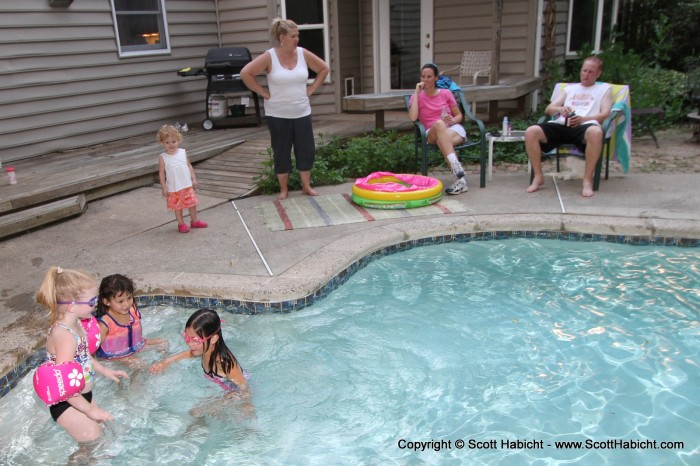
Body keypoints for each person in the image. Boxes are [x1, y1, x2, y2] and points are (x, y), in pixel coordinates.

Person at [34, 266, 128, 443]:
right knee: (92, 442)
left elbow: (84, 357)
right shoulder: (65, 336)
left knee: (99, 439)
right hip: (67, 402)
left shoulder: (77, 324)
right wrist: (90, 410)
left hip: (81, 396)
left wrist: (104, 370)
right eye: (92, 301)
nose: (96, 304)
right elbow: (63, 384)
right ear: (71, 306)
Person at [240, 18, 330, 200]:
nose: (297, 39)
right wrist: (262, 91)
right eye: (293, 36)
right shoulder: (269, 56)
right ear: (282, 37)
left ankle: (306, 186)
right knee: (281, 152)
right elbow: (245, 73)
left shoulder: (303, 54)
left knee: (306, 150)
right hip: (278, 114)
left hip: (302, 112)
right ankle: (284, 190)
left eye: (298, 35)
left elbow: (324, 69)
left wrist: (311, 89)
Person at [525, 56, 613, 197]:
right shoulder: (570, 89)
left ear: (598, 73)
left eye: (591, 72)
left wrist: (584, 118)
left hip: (585, 126)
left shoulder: (604, 89)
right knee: (531, 131)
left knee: (596, 132)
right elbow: (548, 109)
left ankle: (587, 180)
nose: (586, 74)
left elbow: (605, 114)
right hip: (562, 124)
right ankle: (538, 176)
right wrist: (560, 109)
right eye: (584, 70)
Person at [150, 308, 248, 395]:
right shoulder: (204, 349)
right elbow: (190, 354)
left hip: (234, 389)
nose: (190, 344)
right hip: (221, 385)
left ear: (213, 339)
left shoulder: (223, 362)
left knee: (196, 412)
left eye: (195, 340)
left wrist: (226, 401)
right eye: (187, 337)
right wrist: (166, 362)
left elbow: (244, 389)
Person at [408, 63, 469, 195]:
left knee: (444, 139)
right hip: (432, 132)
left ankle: (461, 181)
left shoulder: (446, 93)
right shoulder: (417, 96)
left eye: (429, 76)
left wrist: (452, 120)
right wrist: (416, 93)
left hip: (452, 129)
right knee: (439, 124)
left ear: (436, 78)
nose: (425, 79)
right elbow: (413, 118)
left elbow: (459, 115)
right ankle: (456, 165)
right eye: (423, 76)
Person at [94, 274, 168, 360]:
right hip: (115, 356)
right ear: (107, 302)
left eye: (129, 298)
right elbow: (93, 349)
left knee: (163, 343)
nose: (126, 304)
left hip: (137, 346)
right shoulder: (104, 324)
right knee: (137, 363)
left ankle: (160, 364)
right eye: (120, 301)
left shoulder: (133, 311)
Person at [157, 124, 208, 233]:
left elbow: (189, 166)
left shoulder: (182, 152)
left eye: (173, 142)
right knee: (178, 207)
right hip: (174, 188)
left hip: (186, 185)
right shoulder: (163, 157)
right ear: (162, 143)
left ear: (178, 140)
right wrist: (164, 187)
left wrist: (193, 179)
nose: (171, 145)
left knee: (192, 204)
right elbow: (161, 173)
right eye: (167, 142)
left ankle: (194, 221)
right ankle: (181, 223)